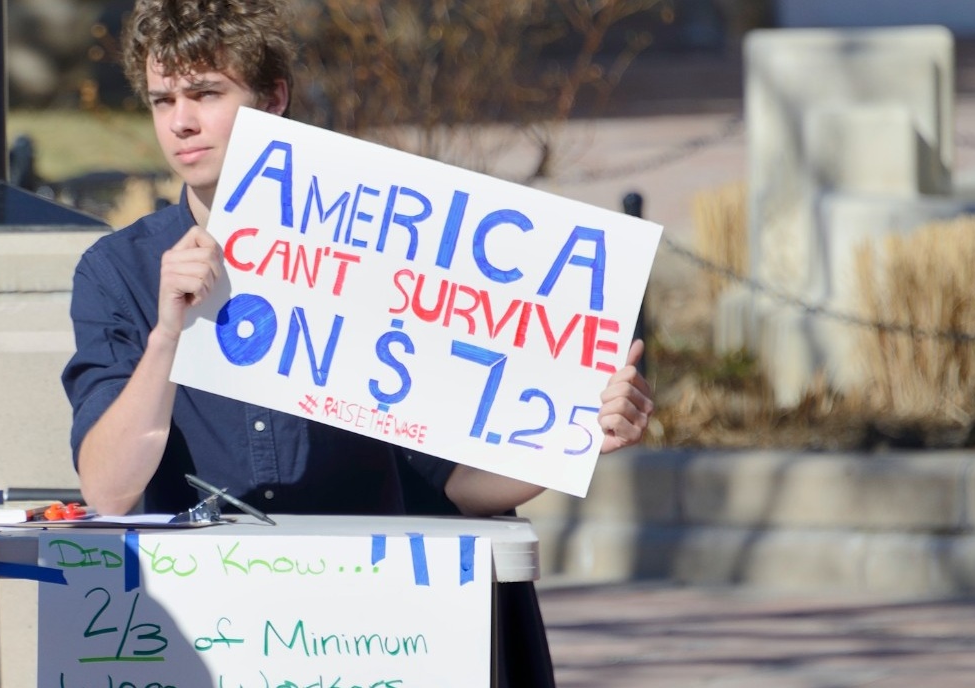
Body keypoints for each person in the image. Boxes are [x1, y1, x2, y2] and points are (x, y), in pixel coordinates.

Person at [58, 1, 655, 685]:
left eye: (207, 94)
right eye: (164, 100)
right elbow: (105, 487)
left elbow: (460, 483)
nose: (181, 122)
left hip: (363, 634)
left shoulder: (368, 251)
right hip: (198, 628)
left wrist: (578, 433)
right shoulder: (117, 273)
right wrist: (169, 334)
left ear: (272, 98)